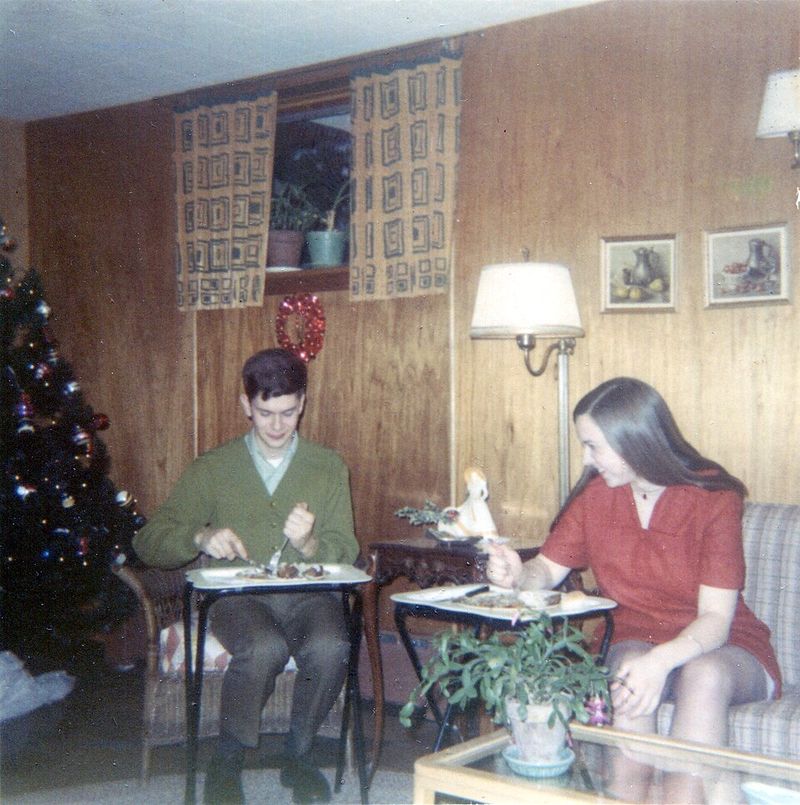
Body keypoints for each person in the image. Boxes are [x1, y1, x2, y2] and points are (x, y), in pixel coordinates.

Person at [486, 377, 781, 755]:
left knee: (703, 676)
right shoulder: (596, 496)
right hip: (634, 640)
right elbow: (545, 571)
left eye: (593, 446)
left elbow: (716, 619)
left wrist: (660, 663)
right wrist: (518, 575)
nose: (585, 460)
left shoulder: (714, 498)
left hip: (720, 645)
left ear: (633, 443)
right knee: (629, 671)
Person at [133, 348, 358, 804]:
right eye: (265, 413)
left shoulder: (327, 466)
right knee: (263, 647)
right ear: (245, 406)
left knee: (332, 645)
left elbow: (346, 549)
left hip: (309, 597)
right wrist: (200, 535)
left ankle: (299, 757)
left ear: (303, 404)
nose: (277, 426)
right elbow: (148, 540)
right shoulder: (212, 468)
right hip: (236, 598)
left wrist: (312, 544)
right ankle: (227, 761)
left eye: (289, 413)